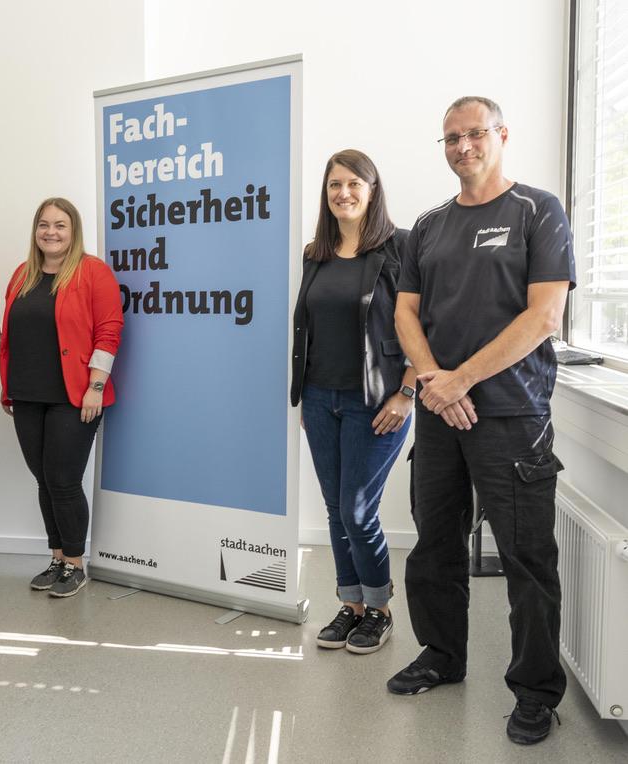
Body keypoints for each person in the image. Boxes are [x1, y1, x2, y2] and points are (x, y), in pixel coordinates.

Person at [390, 97, 574, 746]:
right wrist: (436, 387)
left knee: (526, 559)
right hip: (441, 416)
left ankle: (534, 693)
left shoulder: (536, 211)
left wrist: (461, 379)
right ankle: (441, 655)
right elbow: (405, 315)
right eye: (449, 138)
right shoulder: (428, 225)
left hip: (511, 415)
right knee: (434, 544)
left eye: (473, 135)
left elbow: (543, 316)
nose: (460, 147)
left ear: (500, 135)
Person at [290, 149, 416, 655]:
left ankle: (380, 610)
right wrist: (305, 396)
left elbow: (423, 327)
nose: (343, 193)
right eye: (334, 185)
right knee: (334, 509)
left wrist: (408, 391)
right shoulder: (314, 254)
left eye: (353, 184)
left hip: (378, 400)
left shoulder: (400, 248)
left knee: (357, 510)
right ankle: (352, 605)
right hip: (321, 396)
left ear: (372, 189)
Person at [0, 197, 123, 598]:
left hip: (74, 396)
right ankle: (56, 557)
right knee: (43, 480)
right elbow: (10, 336)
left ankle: (75, 563)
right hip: (27, 394)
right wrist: (7, 387)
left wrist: (96, 386)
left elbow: (109, 331)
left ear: (74, 231)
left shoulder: (93, 273)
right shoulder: (22, 275)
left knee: (64, 481)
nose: (50, 232)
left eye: (60, 225)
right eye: (44, 225)